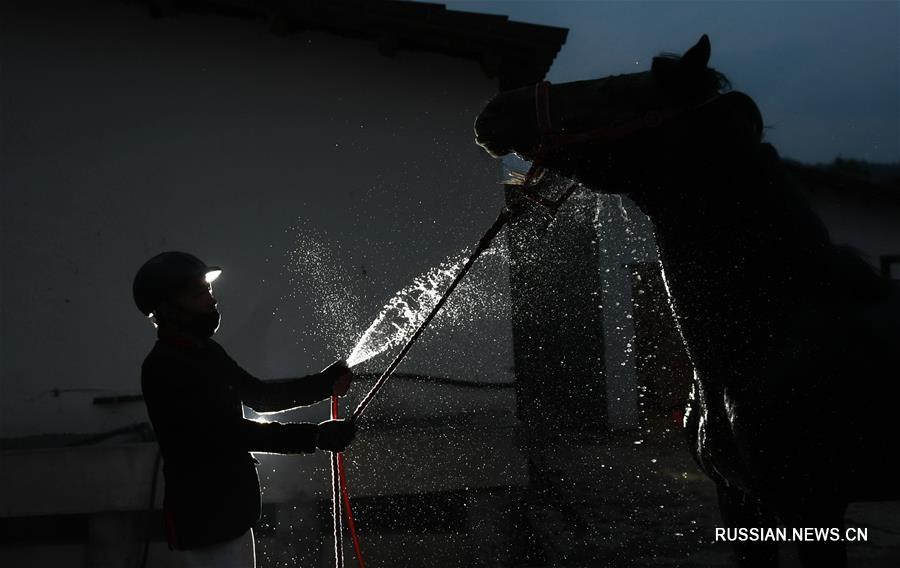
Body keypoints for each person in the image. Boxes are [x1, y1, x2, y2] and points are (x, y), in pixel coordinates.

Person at [133, 251, 356, 567]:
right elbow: (228, 433)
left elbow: (259, 395)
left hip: (231, 516)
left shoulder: (206, 352)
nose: (211, 301)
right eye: (198, 294)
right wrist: (315, 436)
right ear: (168, 309)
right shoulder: (164, 367)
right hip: (205, 521)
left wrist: (323, 385)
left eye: (209, 290)